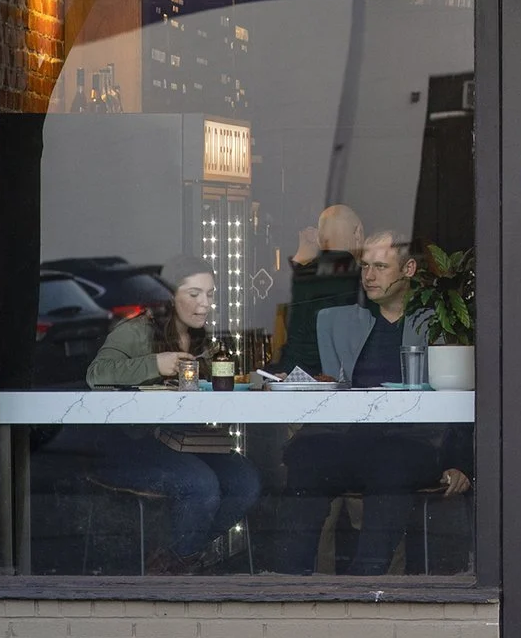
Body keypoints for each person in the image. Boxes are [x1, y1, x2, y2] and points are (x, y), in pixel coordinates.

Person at [275, 232, 470, 574]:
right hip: (349, 439)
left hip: (411, 443)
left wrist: (462, 462)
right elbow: (301, 372)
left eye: (380, 267)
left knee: (391, 461)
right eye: (365, 266)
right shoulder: (337, 321)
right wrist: (299, 379)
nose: (369, 276)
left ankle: (367, 580)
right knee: (306, 454)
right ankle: (290, 578)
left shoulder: (438, 322)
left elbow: (465, 394)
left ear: (409, 269)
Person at [78, 258, 261, 574]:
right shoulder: (136, 331)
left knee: (246, 481)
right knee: (201, 484)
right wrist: (155, 364)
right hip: (130, 444)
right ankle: (177, 567)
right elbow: (97, 374)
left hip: (183, 441)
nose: (205, 303)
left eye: (210, 294)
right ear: (170, 297)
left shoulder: (204, 339)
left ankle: (177, 557)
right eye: (194, 294)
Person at [280, 204, 364, 377]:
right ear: (358, 234)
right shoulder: (364, 277)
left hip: (310, 377)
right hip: (348, 380)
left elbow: (297, 338)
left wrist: (289, 376)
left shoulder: (306, 277)